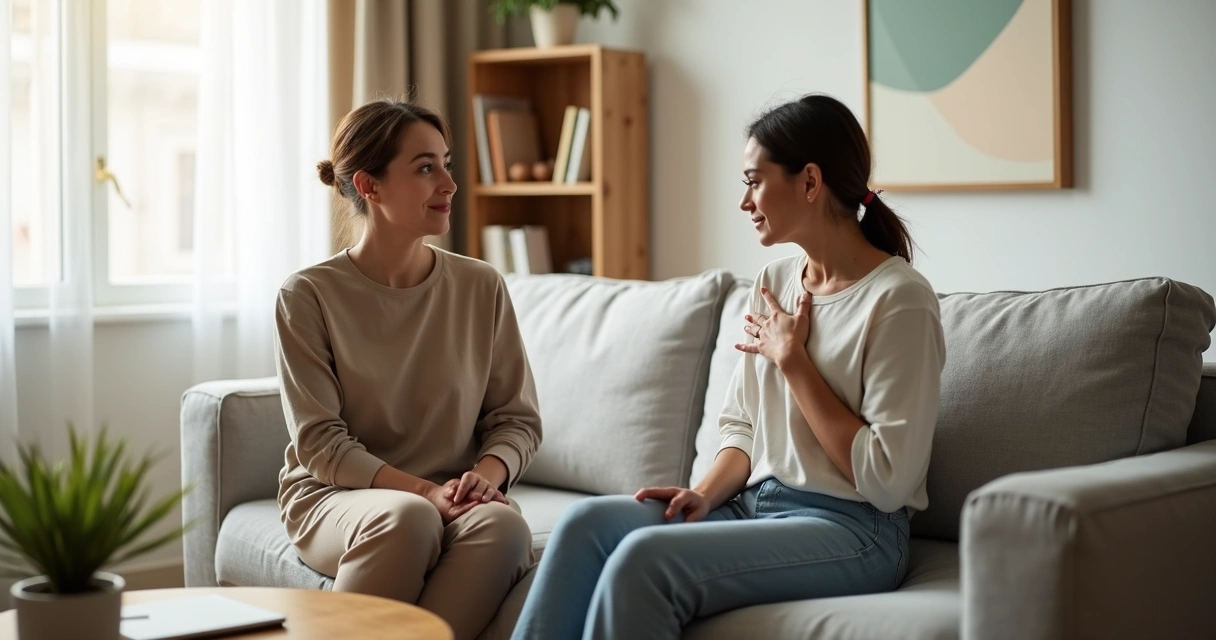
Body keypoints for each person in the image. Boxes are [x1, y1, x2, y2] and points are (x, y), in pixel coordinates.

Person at [510, 94, 947, 640]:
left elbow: (885, 480)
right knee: (584, 524)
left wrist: (794, 362)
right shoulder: (774, 281)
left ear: (810, 182)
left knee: (645, 561)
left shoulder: (899, 299)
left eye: (754, 182)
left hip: (855, 528)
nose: (744, 202)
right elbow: (741, 424)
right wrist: (705, 493)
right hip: (753, 504)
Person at [274, 98, 542, 640]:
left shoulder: (481, 285)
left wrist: (483, 481)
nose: (449, 184)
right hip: (336, 497)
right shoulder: (308, 295)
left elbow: (516, 419)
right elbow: (320, 443)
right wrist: (423, 493)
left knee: (504, 526)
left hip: (451, 497)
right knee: (408, 518)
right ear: (369, 186)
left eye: (447, 164)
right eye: (425, 168)